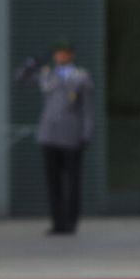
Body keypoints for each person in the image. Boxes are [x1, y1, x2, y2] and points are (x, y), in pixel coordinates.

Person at [17, 40, 94, 235]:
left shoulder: (81, 77)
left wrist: (86, 134)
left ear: (71, 55)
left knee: (73, 182)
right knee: (53, 182)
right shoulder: (47, 75)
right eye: (57, 53)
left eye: (64, 53)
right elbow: (21, 79)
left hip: (71, 137)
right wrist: (29, 65)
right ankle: (57, 222)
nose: (60, 56)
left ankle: (71, 222)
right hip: (48, 136)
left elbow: (87, 110)